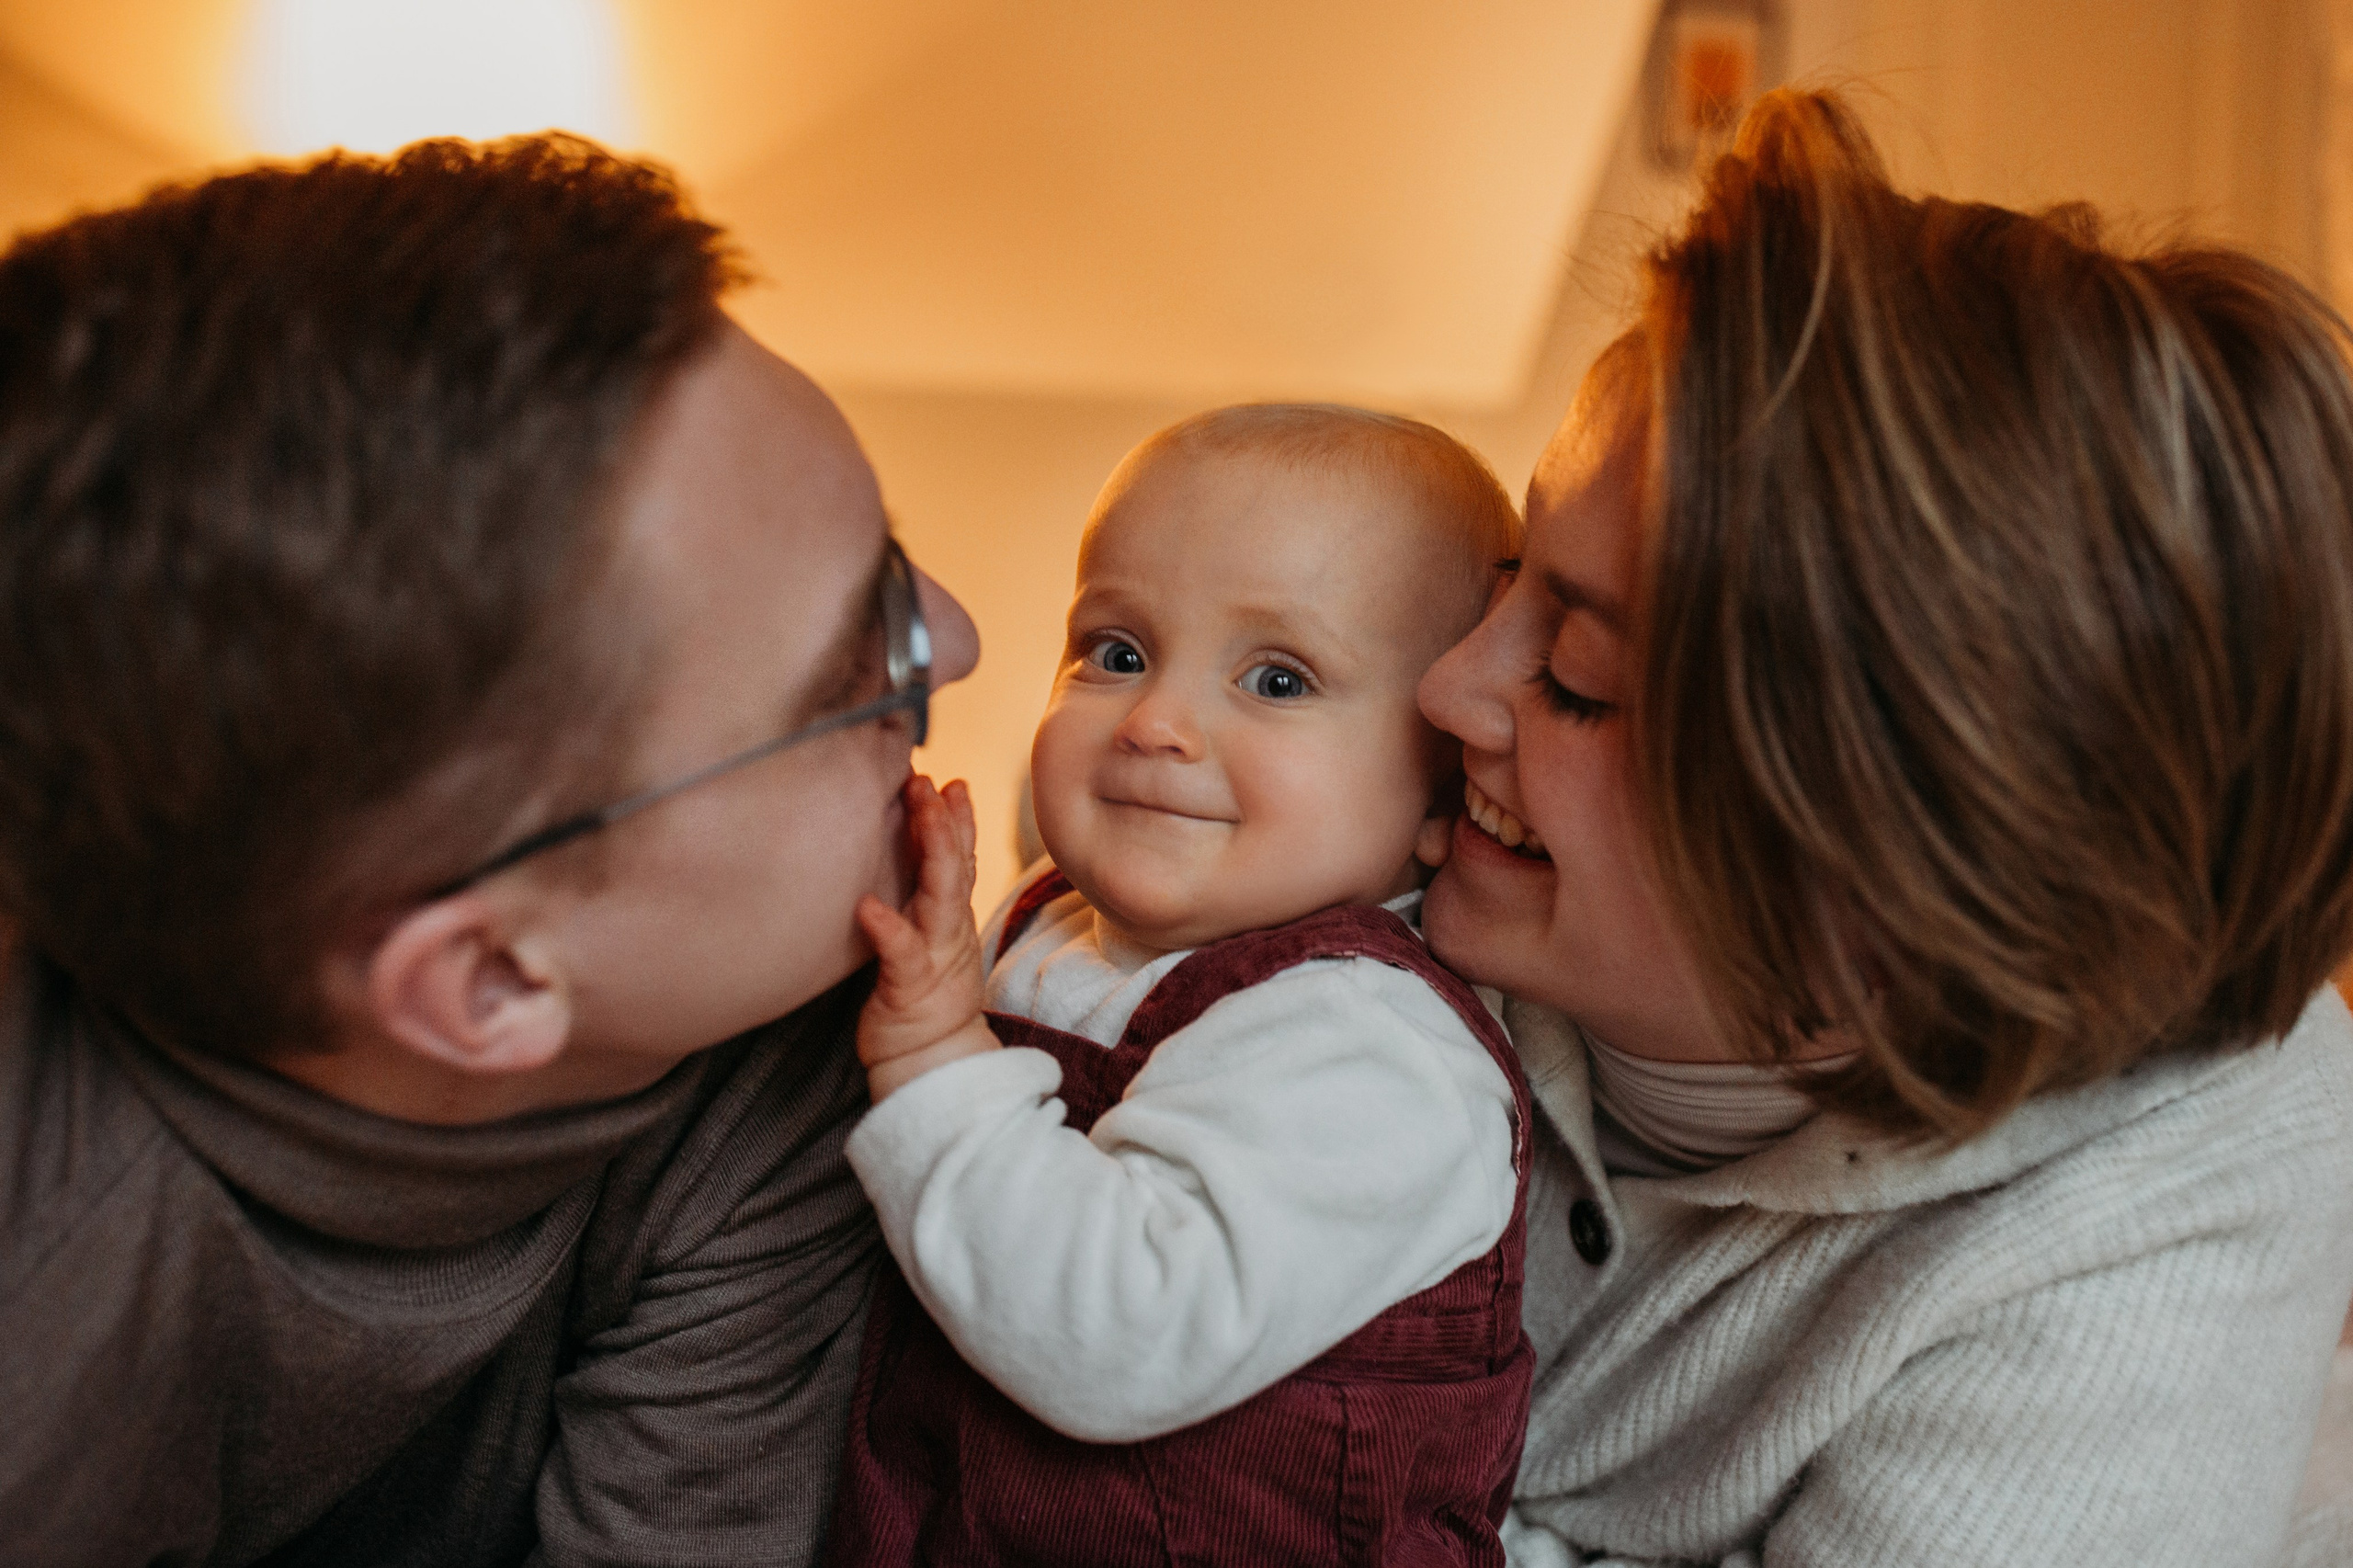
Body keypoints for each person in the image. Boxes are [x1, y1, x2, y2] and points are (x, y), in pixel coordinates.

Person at [0, 135, 977, 1565]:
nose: (959, 634)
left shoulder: (780, 1039)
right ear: (494, 983)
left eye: (896, 554)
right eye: (861, 671)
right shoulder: (44, 1326)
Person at [1414, 88, 2353, 1566]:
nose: (1446, 686)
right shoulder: (1391, 829)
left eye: (1581, 680)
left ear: (1897, 887)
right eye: (1511, 571)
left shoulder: (2185, 1161)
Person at [824, 405, 1533, 1564]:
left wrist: (929, 1056)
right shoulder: (1039, 924)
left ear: (1441, 794)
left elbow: (1115, 1328)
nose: (1157, 721)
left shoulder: (1375, 1045)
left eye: (1278, 677)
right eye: (1115, 652)